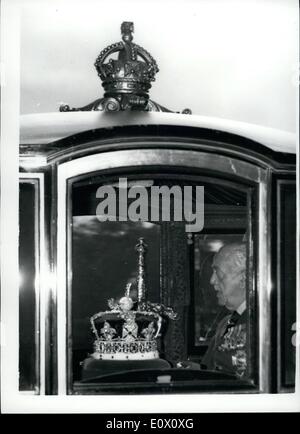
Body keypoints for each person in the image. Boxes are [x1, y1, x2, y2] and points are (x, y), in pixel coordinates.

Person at [201, 242, 247, 378]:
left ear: (244, 279)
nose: (212, 280)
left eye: (218, 273)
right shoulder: (225, 323)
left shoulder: (263, 325)